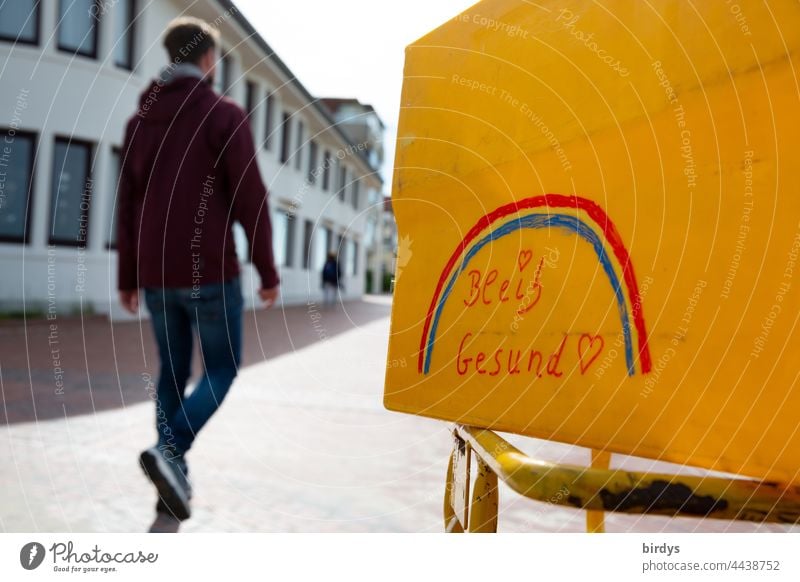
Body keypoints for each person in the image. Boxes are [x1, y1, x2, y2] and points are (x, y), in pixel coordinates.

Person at [116, 17, 280, 529]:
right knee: (223, 368)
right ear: (208, 59)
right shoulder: (222, 114)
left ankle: (170, 488)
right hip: (209, 272)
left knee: (171, 373)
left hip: (156, 276)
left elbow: (125, 206)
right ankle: (172, 451)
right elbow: (251, 198)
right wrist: (267, 270)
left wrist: (126, 275)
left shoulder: (138, 123)